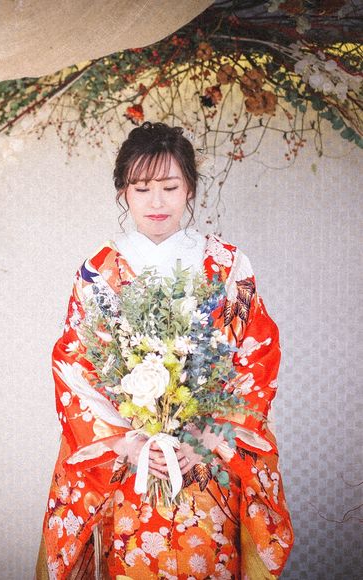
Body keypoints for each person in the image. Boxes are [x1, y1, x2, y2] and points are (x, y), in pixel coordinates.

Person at [36, 121, 294, 579]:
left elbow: (256, 355)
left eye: (170, 187)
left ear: (189, 188)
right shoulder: (99, 271)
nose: (157, 202)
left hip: (206, 462)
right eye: (142, 188)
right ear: (124, 191)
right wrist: (128, 442)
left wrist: (207, 435)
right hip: (134, 466)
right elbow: (75, 364)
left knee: (207, 560)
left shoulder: (228, 265)